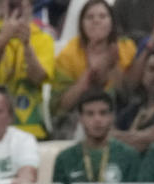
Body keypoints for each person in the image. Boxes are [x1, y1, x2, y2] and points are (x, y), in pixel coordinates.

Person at [51, 0, 137, 139]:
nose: (96, 21)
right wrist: (89, 73)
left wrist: (112, 65)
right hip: (78, 119)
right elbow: (60, 106)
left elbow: (128, 96)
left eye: (102, 16)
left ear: (112, 22)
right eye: (90, 17)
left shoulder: (126, 48)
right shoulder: (69, 54)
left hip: (119, 117)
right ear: (81, 23)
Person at [0, 0, 55, 140]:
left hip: (31, 129)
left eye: (20, 5)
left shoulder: (44, 39)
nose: (16, 11)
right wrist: (4, 38)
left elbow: (38, 78)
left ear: (29, 8)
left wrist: (27, 46)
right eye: (11, 5)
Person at [53, 91, 141, 184]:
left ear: (112, 117)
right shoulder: (65, 159)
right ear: (81, 118)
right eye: (90, 114)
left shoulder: (129, 156)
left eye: (103, 113)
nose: (97, 119)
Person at [113, 47, 154, 153]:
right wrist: (145, 137)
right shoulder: (132, 109)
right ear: (143, 74)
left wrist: (123, 138)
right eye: (152, 69)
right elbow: (107, 137)